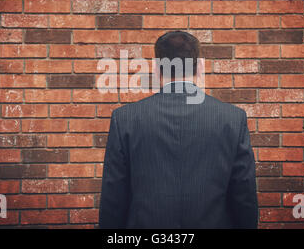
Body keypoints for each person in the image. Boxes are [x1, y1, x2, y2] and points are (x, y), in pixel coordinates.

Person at [99, 31, 258, 229]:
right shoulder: (232, 118)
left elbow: (113, 199)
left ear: (157, 69)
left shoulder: (125, 119)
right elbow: (244, 197)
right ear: (200, 67)